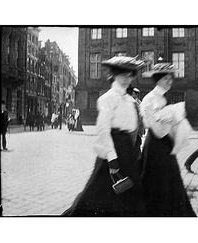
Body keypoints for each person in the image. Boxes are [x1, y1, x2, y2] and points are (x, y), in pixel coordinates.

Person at [62, 56, 146, 216]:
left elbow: (134, 128)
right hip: (112, 154)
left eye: (131, 74)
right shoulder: (107, 98)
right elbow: (103, 130)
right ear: (114, 75)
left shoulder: (129, 100)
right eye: (124, 74)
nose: (128, 78)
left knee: (131, 196)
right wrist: (112, 160)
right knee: (93, 198)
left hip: (128, 152)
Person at [140, 62, 196, 216]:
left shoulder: (162, 98)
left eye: (171, 78)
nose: (169, 81)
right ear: (157, 79)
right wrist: (172, 115)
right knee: (159, 180)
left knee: (169, 180)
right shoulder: (150, 99)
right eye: (166, 78)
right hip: (155, 146)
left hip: (164, 144)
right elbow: (153, 127)